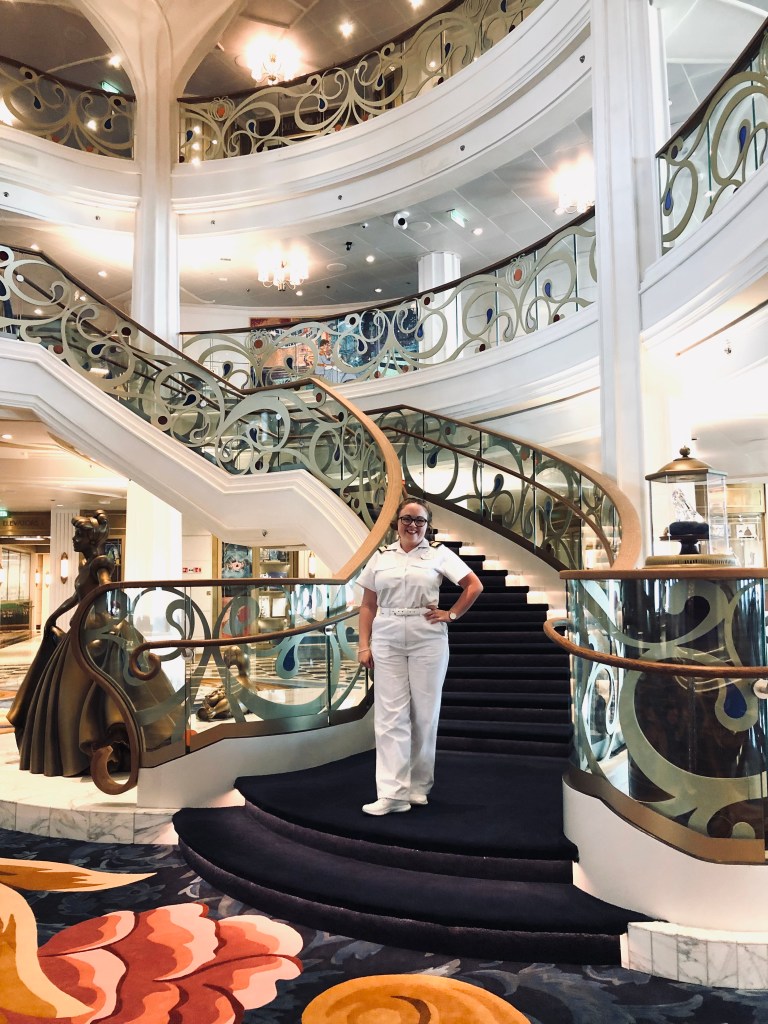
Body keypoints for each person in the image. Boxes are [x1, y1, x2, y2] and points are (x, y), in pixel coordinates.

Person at [8, 510, 179, 778]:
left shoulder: (101, 562)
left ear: (90, 539)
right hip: (83, 627)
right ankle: (74, 749)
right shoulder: (85, 565)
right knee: (66, 688)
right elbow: (78, 597)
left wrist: (117, 616)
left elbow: (107, 588)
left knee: (93, 685)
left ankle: (104, 743)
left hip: (98, 630)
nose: (74, 540)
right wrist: (54, 615)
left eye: (78, 535)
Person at [357, 496, 483, 815]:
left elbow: (473, 585)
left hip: (426, 634)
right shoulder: (381, 557)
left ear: (427, 525)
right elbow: (368, 604)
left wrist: (451, 615)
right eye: (406, 519)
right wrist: (363, 643)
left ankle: (418, 786)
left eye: (419, 520)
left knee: (424, 712)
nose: (412, 525)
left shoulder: (439, 554)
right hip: (386, 632)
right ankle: (392, 794)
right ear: (396, 522)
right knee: (389, 715)